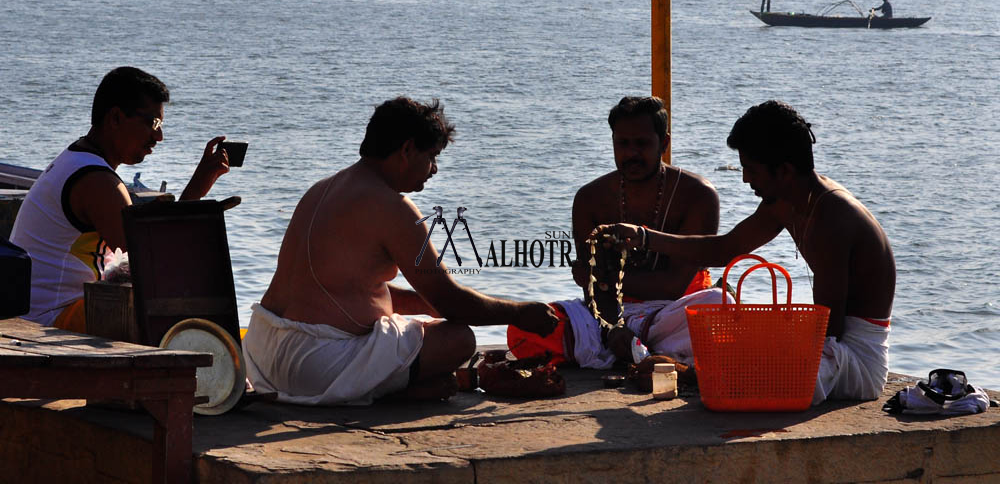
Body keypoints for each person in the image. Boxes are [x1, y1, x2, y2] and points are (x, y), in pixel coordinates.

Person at [242, 97, 559, 405]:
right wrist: (519, 313)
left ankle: (393, 386)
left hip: (262, 355)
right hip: (312, 366)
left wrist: (429, 306)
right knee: (460, 339)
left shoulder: (322, 188)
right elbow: (451, 300)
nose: (434, 169)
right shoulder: (393, 207)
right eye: (432, 156)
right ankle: (390, 391)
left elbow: (349, 284)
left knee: (423, 316)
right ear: (407, 150)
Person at [594, 100, 896, 404]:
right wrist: (645, 238)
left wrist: (756, 351)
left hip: (856, 360)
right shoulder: (786, 201)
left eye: (751, 170)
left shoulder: (833, 218)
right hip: (830, 344)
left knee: (755, 371)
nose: (745, 179)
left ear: (785, 171)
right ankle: (702, 373)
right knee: (733, 338)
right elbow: (725, 249)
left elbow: (830, 330)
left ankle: (688, 375)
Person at [507, 95, 723, 368]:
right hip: (607, 315)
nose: (631, 153)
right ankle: (648, 353)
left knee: (717, 304)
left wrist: (601, 278)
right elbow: (592, 290)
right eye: (623, 143)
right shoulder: (590, 197)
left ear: (664, 143)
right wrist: (612, 327)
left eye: (642, 144)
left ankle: (639, 352)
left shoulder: (698, 195)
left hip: (674, 314)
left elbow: (673, 286)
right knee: (523, 330)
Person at [10, 66, 230, 333]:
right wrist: (194, 194)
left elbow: (149, 255)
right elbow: (154, 265)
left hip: (42, 312)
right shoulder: (98, 182)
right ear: (115, 118)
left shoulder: (78, 160)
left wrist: (195, 190)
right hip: (49, 320)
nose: (159, 136)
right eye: (153, 123)